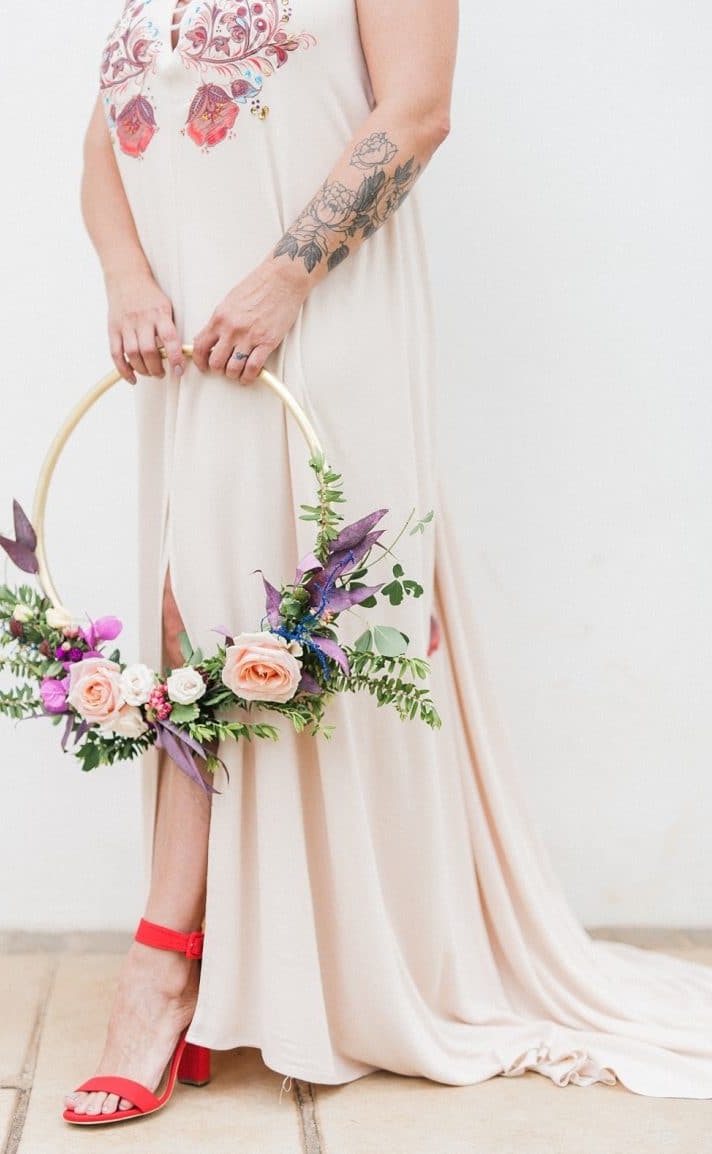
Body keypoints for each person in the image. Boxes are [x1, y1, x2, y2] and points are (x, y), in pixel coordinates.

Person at [64, 0, 712, 1126]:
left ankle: (251, 967)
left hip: (321, 320)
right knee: (190, 624)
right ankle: (190, 965)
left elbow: (417, 111)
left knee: (307, 630)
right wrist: (125, 277)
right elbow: (108, 134)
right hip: (183, 344)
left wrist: (281, 281)